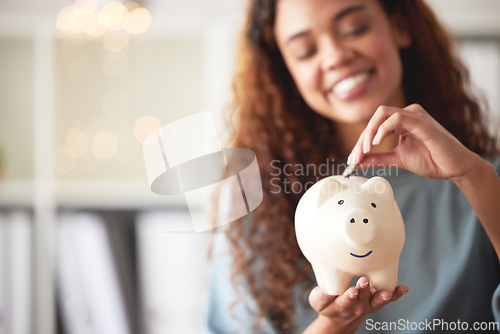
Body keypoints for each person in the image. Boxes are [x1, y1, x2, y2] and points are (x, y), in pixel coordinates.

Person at [205, 0, 500, 333]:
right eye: (305, 50)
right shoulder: (252, 201)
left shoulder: (486, 183)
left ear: (399, 28)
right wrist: (335, 324)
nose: (335, 56)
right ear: (286, 71)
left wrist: (475, 177)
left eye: (354, 29)